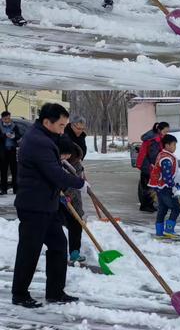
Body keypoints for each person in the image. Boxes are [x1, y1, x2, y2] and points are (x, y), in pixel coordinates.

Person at [12, 103, 88, 308]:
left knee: (58, 246)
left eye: (65, 125)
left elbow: (61, 145)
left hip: (47, 204)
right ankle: (19, 294)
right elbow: (54, 174)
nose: (64, 130)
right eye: (61, 125)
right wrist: (79, 183)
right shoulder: (38, 142)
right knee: (30, 250)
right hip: (34, 205)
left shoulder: (45, 135)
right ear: (47, 122)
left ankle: (55, 292)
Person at [58, 137, 86, 264]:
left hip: (72, 200)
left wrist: (68, 195)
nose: (66, 156)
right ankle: (57, 250)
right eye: (64, 154)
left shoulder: (76, 165)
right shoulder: (54, 162)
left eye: (68, 154)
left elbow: (76, 183)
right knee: (55, 225)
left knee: (76, 224)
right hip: (56, 200)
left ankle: (75, 252)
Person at [148, 134, 180, 239]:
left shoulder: (162, 154)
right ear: (167, 145)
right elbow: (167, 176)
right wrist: (172, 186)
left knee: (163, 208)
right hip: (165, 187)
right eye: (174, 145)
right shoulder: (166, 158)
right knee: (176, 208)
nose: (175, 147)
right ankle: (169, 230)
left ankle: (159, 231)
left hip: (159, 187)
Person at [136, 121, 170, 212]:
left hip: (145, 164)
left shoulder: (154, 136)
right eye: (165, 131)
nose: (166, 133)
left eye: (167, 131)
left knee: (146, 185)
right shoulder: (155, 139)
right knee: (148, 186)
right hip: (147, 165)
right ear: (159, 130)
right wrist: (156, 165)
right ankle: (146, 206)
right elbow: (153, 155)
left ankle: (147, 205)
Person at [0, 111, 21, 195]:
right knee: (3, 171)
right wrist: (5, 135)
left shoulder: (14, 126)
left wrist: (14, 136)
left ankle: (16, 189)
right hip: (3, 152)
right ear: (2, 119)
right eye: (5, 119)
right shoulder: (0, 126)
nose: (7, 120)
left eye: (9, 118)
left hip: (12, 150)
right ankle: (3, 189)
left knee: (14, 171)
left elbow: (19, 135)